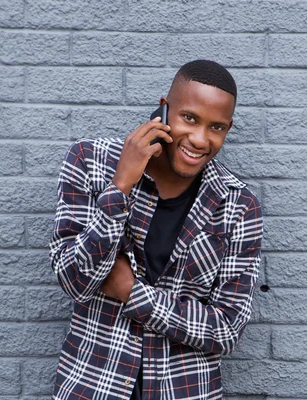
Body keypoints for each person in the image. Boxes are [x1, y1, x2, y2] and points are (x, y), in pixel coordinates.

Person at [49, 59, 263, 400]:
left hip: (186, 391)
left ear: (228, 128)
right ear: (165, 109)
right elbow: (74, 281)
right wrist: (120, 186)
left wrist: (131, 292)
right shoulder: (90, 161)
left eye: (216, 127)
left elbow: (225, 329)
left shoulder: (238, 206)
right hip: (92, 386)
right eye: (189, 118)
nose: (199, 138)